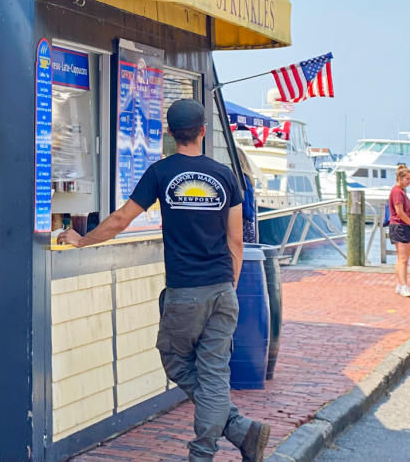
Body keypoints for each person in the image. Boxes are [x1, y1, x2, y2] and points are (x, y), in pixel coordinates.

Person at [57, 99, 271, 462]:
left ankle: (203, 453)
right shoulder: (225, 176)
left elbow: (121, 219)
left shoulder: (161, 172)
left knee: (175, 359)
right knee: (214, 371)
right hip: (222, 287)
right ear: (203, 130)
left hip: (185, 292)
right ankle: (238, 428)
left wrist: (82, 239)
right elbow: (236, 239)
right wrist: (229, 286)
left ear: (170, 133)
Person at [389, 163, 410, 297]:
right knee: (404, 259)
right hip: (401, 226)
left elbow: (401, 211)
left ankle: (400, 284)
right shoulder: (398, 192)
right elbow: (399, 212)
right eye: (407, 179)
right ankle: (404, 285)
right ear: (400, 178)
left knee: (400, 258)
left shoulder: (400, 192)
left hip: (399, 226)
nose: (409, 182)